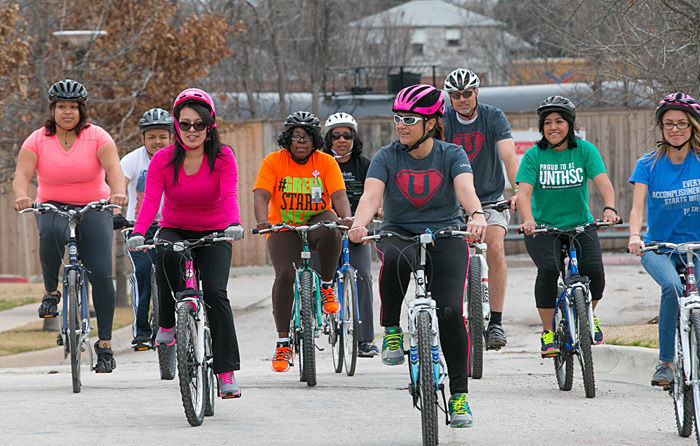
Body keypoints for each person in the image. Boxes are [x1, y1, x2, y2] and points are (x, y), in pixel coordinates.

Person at [349, 84, 487, 428]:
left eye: (409, 119)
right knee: (393, 257)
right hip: (400, 231)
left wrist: (477, 215)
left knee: (452, 312)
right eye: (397, 118)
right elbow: (370, 196)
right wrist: (358, 224)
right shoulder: (386, 156)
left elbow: (465, 189)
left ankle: (459, 398)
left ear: (430, 123)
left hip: (446, 234)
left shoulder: (451, 154)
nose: (401, 125)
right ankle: (392, 330)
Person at [126, 88, 244, 398]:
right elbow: (151, 200)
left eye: (199, 124)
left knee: (217, 295)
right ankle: (167, 324)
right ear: (176, 126)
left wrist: (234, 223)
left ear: (210, 126)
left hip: (215, 231)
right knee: (164, 253)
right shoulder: (164, 159)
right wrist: (138, 232)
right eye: (185, 124)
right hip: (175, 228)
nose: (192, 130)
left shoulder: (223, 156)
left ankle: (226, 372)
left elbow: (230, 193)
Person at [12, 79, 127, 373]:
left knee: (101, 273)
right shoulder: (37, 140)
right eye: (61, 106)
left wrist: (117, 193)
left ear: (81, 110)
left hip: (94, 206)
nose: (67, 112)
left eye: (73, 107)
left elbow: (114, 170)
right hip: (52, 204)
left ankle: (104, 345)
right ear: (53, 110)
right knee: (49, 232)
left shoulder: (97, 136)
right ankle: (51, 293)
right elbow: (21, 175)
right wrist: (22, 197)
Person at [516, 95, 620, 357]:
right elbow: (524, 195)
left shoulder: (585, 150)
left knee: (594, 271)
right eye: (547, 122)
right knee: (549, 270)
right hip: (543, 228)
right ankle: (547, 332)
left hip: (580, 226)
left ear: (570, 124)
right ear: (541, 127)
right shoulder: (533, 155)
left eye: (559, 121)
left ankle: (589, 316)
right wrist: (528, 220)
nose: (553, 127)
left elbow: (603, 182)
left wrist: (609, 207)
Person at [252, 111, 352, 373]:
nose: (301, 141)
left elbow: (339, 196)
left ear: (315, 140)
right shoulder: (273, 161)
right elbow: (261, 196)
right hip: (283, 226)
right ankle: (283, 343)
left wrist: (347, 218)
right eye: (296, 136)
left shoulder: (326, 162)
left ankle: (328, 284)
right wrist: (263, 221)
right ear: (288, 138)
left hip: (317, 220)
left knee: (332, 228)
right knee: (284, 275)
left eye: (307, 137)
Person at [442, 68, 518, 349]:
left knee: (495, 247)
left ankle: (496, 322)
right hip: (451, 202)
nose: (461, 99)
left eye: (466, 93)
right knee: (445, 256)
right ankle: (448, 315)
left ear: (476, 93)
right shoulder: (443, 119)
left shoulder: (492, 116)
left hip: (489, 199)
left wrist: (519, 189)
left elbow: (508, 155)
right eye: (455, 95)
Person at [628, 93, 700, 387]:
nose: (675, 129)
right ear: (661, 127)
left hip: (696, 248)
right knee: (671, 287)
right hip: (660, 248)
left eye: (682, 123)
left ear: (693, 126)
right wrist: (634, 236)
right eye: (668, 123)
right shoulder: (648, 164)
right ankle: (666, 363)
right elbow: (636, 208)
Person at [113, 108, 173, 350]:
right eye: (151, 137)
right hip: (138, 228)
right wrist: (116, 213)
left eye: (162, 136)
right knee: (143, 271)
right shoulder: (131, 160)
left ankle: (183, 320)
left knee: (176, 271)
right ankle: (142, 331)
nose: (157, 142)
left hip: (171, 226)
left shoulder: (179, 158)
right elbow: (118, 187)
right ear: (143, 138)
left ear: (171, 137)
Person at [321, 112, 377, 357]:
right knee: (318, 274)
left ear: (354, 138)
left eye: (347, 135)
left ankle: (365, 340)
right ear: (328, 139)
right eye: (336, 135)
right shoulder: (321, 162)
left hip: (358, 228)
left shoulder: (364, 165)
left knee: (363, 275)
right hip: (327, 229)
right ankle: (312, 324)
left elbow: (374, 194)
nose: (341, 140)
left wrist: (378, 211)